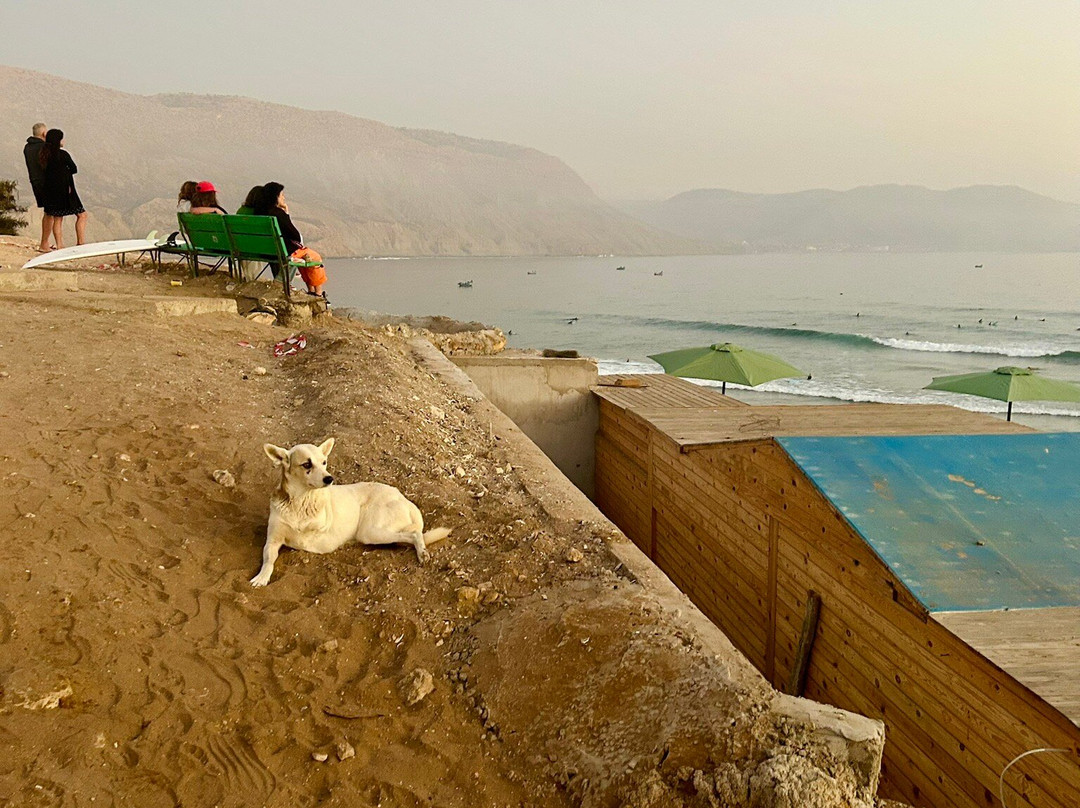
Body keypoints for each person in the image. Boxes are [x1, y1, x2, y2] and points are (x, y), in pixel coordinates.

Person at [255, 181, 327, 300]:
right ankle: (318, 294)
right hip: (285, 252)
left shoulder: (259, 213)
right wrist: (286, 213)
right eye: (281, 195)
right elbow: (295, 235)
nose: (284, 197)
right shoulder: (278, 213)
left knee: (304, 256)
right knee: (315, 258)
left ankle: (311, 291)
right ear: (275, 197)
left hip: (268, 250)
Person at [39, 128, 87, 248]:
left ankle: (60, 245)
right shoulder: (63, 154)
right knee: (82, 215)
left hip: (50, 191)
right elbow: (74, 168)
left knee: (58, 218)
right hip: (66, 190)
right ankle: (80, 243)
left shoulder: (44, 155)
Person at [23, 123, 54, 252]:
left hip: (35, 181)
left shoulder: (27, 148)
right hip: (46, 183)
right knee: (51, 212)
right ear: (44, 134)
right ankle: (44, 244)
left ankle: (45, 243)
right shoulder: (44, 147)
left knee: (48, 212)